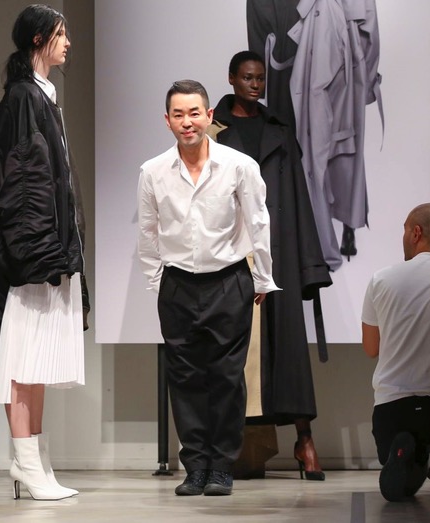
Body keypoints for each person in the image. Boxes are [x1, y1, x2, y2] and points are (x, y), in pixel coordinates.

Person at [0, 4, 87, 502]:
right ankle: (26, 464)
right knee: (22, 362)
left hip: (47, 253)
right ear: (38, 40)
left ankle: (36, 465)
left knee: (38, 364)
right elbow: (21, 183)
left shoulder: (41, 95)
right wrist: (40, 254)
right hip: (30, 260)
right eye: (60, 34)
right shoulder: (22, 98)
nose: (68, 42)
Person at [138, 80, 279, 496]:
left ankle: (221, 466)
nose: (187, 122)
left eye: (194, 113)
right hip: (178, 283)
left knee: (227, 377)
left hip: (228, 280)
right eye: (178, 114)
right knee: (184, 378)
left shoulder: (238, 166)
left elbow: (258, 222)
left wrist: (263, 277)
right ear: (167, 120)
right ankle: (195, 466)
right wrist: (157, 281)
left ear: (209, 116)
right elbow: (147, 231)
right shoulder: (152, 171)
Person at [207, 50, 332, 481]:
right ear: (231, 79)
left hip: (278, 252)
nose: (255, 85)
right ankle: (222, 449)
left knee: (289, 348)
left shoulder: (279, 130)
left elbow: (298, 196)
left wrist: (308, 266)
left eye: (260, 78)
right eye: (247, 77)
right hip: (231, 253)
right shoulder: (213, 133)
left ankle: (304, 439)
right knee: (231, 352)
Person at [361, 203, 430, 502]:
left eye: (404, 230)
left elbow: (371, 348)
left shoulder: (381, 279)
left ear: (416, 233)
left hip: (392, 407)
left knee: (402, 473)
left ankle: (407, 452)